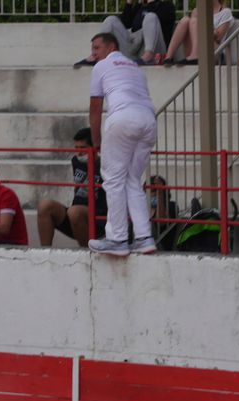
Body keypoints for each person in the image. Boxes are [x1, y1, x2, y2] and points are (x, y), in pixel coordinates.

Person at [86, 33, 158, 257]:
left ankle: (117, 239)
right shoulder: (136, 68)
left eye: (97, 47)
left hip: (123, 119)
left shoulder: (102, 66)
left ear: (111, 47)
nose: (94, 53)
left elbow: (95, 107)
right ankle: (144, 237)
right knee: (132, 180)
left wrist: (96, 140)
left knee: (113, 179)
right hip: (148, 120)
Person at [37, 128, 108, 247]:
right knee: (45, 205)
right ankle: (45, 253)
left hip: (99, 219)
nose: (79, 152)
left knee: (74, 212)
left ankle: (86, 253)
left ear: (95, 148)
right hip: (75, 215)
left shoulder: (105, 165)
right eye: (76, 148)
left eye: (83, 148)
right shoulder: (76, 161)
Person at [73, 0, 175, 67]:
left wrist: (150, 3)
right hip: (135, 51)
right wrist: (129, 3)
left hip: (155, 51)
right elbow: (125, 23)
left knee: (151, 17)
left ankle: (147, 57)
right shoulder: (139, 7)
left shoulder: (167, 6)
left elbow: (161, 24)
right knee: (111, 20)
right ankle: (95, 55)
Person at [163, 0, 233, 66]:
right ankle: (168, 58)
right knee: (185, 20)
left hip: (215, 53)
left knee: (195, 21)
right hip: (195, 50)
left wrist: (204, 26)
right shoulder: (197, 11)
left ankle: (195, 55)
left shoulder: (225, 12)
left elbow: (218, 38)